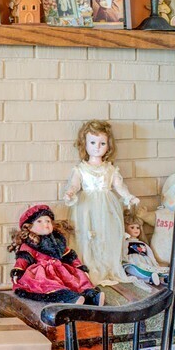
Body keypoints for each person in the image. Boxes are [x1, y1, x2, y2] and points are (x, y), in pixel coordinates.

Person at [60, 119, 139, 285]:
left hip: (107, 206)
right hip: (86, 206)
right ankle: (88, 266)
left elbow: (119, 186)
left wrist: (128, 197)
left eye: (102, 143)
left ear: (108, 146)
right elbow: (75, 184)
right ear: (84, 144)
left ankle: (107, 265)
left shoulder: (110, 169)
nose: (97, 147)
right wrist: (70, 192)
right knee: (87, 235)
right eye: (93, 142)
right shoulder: (81, 168)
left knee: (106, 234)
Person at [7, 204, 99, 305]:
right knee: (50, 285)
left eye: (48, 221)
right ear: (29, 227)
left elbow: (69, 256)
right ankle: (69, 298)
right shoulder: (30, 244)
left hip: (60, 270)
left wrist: (80, 267)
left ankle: (91, 296)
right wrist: (18, 271)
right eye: (39, 221)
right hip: (42, 272)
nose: (45, 224)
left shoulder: (57, 241)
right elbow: (23, 259)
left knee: (76, 279)